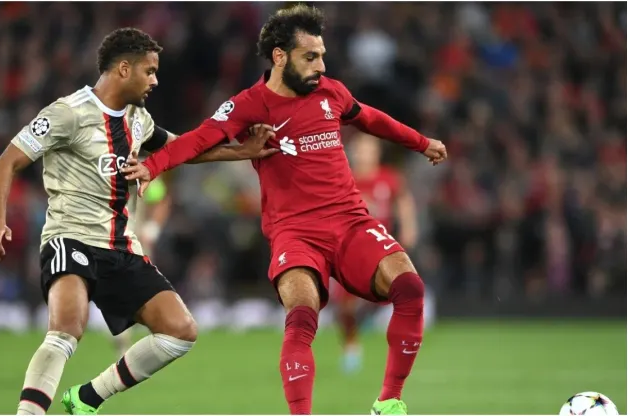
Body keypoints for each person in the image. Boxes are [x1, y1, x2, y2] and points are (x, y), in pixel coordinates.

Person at [122, 5, 447, 415]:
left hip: (350, 221)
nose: (321, 65)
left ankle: (389, 400)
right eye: (310, 57)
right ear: (280, 56)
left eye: (322, 55)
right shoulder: (251, 105)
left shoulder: (331, 92)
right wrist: (151, 167)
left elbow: (372, 119)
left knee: (410, 288)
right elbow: (199, 138)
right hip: (295, 232)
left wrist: (421, 142)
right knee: (302, 314)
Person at [0, 27, 276, 415]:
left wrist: (242, 152)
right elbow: (6, 164)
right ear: (123, 69)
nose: (155, 80)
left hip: (121, 246)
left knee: (181, 331)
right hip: (70, 238)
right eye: (149, 71)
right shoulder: (68, 113)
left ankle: (86, 399)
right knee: (67, 328)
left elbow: (180, 149)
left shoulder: (139, 120)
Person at [331, 133, 419, 374]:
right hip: (350, 252)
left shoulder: (388, 179)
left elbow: (403, 200)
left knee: (401, 291)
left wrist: (409, 226)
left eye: (369, 149)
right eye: (360, 149)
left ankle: (400, 348)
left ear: (377, 153)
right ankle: (351, 346)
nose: (364, 153)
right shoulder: (344, 179)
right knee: (345, 308)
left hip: (382, 251)